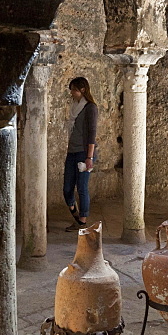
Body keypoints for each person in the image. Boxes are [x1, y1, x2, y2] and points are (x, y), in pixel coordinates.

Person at [64, 76, 98, 230]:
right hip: (72, 151)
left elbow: (92, 133)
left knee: (82, 187)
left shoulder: (90, 107)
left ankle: (82, 221)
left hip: (84, 152)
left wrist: (89, 157)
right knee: (67, 189)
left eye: (74, 90)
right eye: (71, 89)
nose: (71, 93)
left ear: (83, 90)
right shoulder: (75, 106)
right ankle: (76, 216)